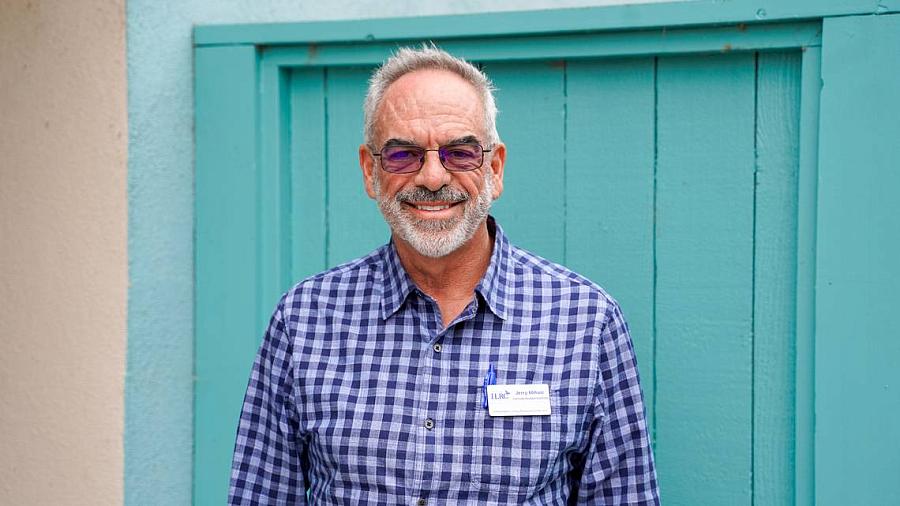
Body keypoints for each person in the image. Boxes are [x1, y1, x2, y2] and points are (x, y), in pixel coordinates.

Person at [229, 45, 659, 505]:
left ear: (494, 168)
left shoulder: (586, 322)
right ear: (370, 171)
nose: (432, 177)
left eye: (460, 152)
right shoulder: (305, 320)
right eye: (402, 154)